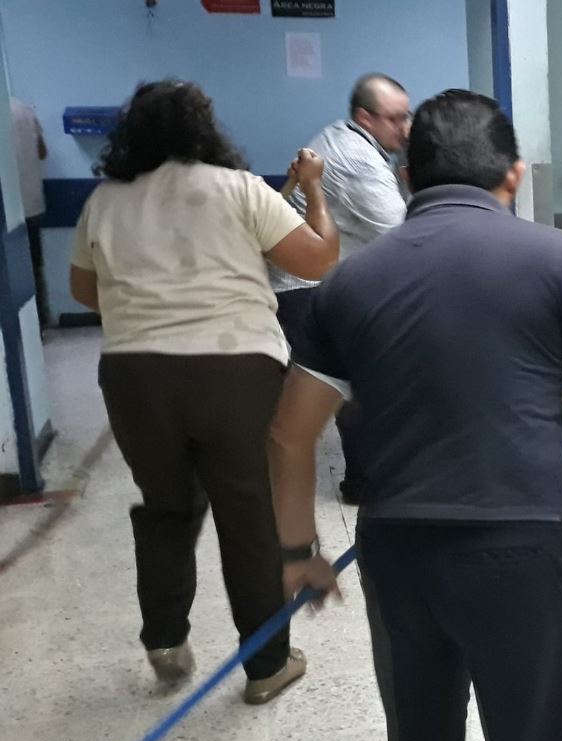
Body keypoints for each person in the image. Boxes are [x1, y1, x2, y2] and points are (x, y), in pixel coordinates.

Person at [269, 90, 562, 741]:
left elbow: (288, 433)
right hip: (517, 547)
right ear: (515, 175)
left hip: (397, 553)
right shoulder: (556, 258)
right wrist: (530, 416)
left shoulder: (350, 282)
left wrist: (298, 551)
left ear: (408, 181)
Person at [68, 80, 339, 703]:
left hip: (137, 378)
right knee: (247, 517)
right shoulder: (238, 189)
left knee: (165, 508)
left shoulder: (104, 200)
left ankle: (165, 641)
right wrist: (316, 191)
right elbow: (318, 259)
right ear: (205, 131)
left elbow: (88, 294)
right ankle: (267, 665)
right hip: (234, 373)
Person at [269, 73, 411, 505]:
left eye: (408, 117)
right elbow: (404, 235)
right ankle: (364, 482)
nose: (405, 129)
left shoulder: (345, 139)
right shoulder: (357, 160)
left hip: (312, 280)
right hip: (308, 286)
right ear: (364, 117)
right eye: (396, 119)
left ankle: (367, 472)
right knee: (354, 379)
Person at [10, 97, 49, 328]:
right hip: (31, 204)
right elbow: (42, 152)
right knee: (33, 269)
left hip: (6, 209)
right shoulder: (22, 108)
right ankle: (38, 325)